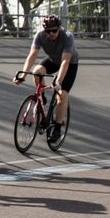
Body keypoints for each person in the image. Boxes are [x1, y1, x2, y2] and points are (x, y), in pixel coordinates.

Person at [14, 14, 79, 144]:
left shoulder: (67, 36)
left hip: (69, 64)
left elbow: (65, 61)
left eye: (54, 30)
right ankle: (41, 98)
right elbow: (32, 55)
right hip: (53, 60)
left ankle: (57, 127)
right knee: (37, 71)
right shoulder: (40, 35)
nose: (51, 34)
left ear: (59, 28)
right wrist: (23, 75)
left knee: (62, 95)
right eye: (47, 31)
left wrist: (58, 81)